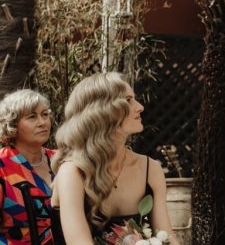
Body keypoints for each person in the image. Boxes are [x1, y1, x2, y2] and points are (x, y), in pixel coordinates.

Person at [50, 72, 179, 245]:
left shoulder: (150, 169)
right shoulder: (72, 172)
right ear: (102, 111)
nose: (140, 106)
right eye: (128, 100)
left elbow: (167, 237)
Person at [0, 89, 55, 244]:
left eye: (45, 114)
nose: (43, 122)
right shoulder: (2, 165)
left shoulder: (62, 160)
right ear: (12, 124)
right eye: (32, 117)